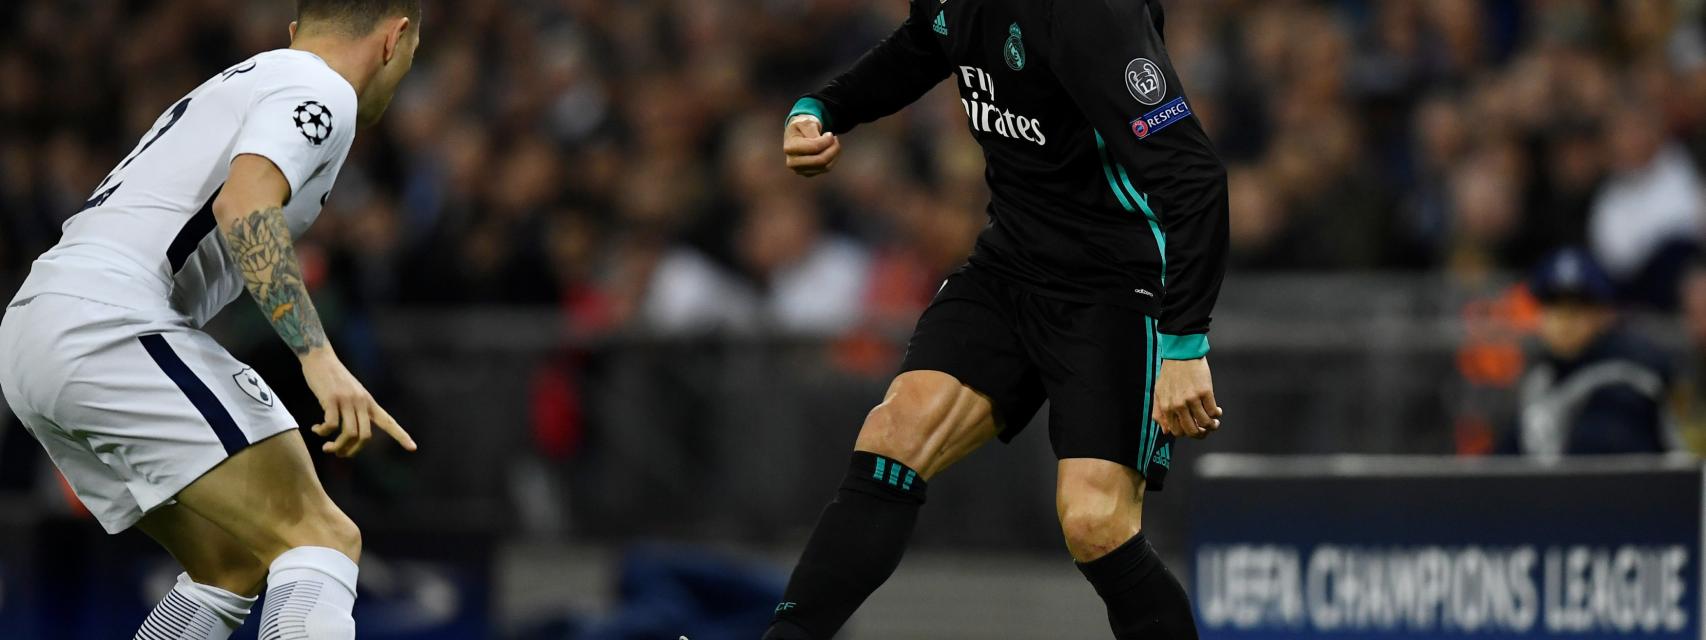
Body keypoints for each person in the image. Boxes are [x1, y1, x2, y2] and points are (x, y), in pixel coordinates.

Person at [771, 0, 1227, 637]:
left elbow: (1193, 175)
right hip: (1009, 262)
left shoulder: (1087, 15)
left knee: (1095, 525)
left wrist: (1183, 344)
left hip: (1115, 282)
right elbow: (920, 47)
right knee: (895, 434)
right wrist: (822, 108)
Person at [0, 1, 422, 638]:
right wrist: (320, 359)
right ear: (396, 39)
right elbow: (245, 206)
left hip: (37, 330)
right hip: (107, 322)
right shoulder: (320, 86)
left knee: (231, 562)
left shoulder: (254, 79)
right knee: (321, 536)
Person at [1503, 249, 1677, 456]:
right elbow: (1505, 457)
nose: (1563, 322)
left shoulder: (1630, 375)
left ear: (1604, 314)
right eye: (1554, 307)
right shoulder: (1543, 376)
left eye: (1578, 308)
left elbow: (1601, 458)